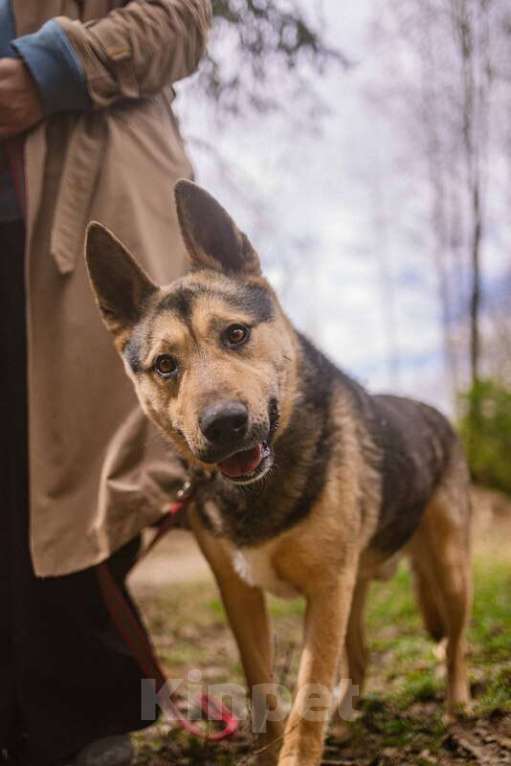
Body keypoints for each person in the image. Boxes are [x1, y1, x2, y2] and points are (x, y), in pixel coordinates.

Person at [0, 1, 212, 764]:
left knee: (78, 468)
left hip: (84, 213)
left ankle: (80, 719)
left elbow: (182, 20)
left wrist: (51, 70)